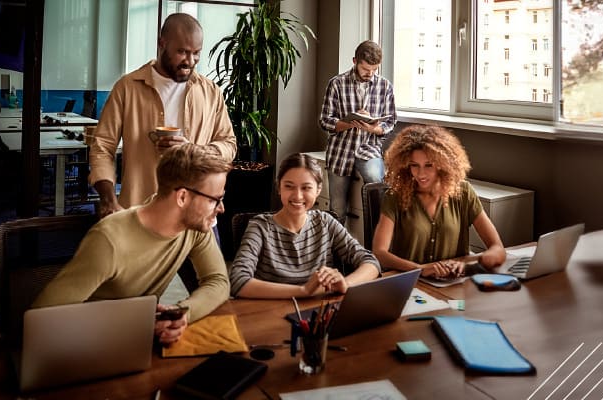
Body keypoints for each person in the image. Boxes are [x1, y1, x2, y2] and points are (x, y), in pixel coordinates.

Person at [32, 144, 233, 345]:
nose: (221, 208)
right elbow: (41, 318)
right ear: (182, 197)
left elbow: (218, 281)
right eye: (215, 199)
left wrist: (182, 314)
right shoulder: (108, 240)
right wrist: (137, 325)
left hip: (136, 341)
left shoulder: (194, 227)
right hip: (87, 343)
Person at [89, 12, 237, 218]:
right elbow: (102, 147)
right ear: (162, 43)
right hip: (140, 214)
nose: (190, 61)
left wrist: (193, 151)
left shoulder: (210, 92)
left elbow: (229, 145)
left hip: (198, 214)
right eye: (182, 52)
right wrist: (108, 199)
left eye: (196, 53)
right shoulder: (127, 88)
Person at [230, 154, 381, 299]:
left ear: (318, 190)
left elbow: (371, 262)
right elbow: (238, 281)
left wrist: (346, 284)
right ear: (279, 188)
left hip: (318, 314)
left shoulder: (325, 223)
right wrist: (303, 291)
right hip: (271, 316)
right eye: (289, 186)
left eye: (306, 188)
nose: (297, 196)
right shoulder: (260, 227)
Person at [370, 124, 506, 279]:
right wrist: (420, 269)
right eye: (414, 165)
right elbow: (380, 253)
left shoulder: (463, 192)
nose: (421, 173)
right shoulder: (394, 197)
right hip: (412, 282)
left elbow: (497, 248)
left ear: (442, 164)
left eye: (428, 165)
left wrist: (474, 262)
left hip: (455, 282)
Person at [317, 40, 397, 227]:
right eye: (365, 69)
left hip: (369, 148)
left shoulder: (385, 86)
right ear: (355, 61)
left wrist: (373, 128)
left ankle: (376, 247)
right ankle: (336, 251)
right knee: (337, 209)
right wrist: (348, 122)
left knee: (378, 188)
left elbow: (391, 121)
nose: (370, 73)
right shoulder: (336, 84)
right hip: (340, 150)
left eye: (374, 69)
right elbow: (324, 120)